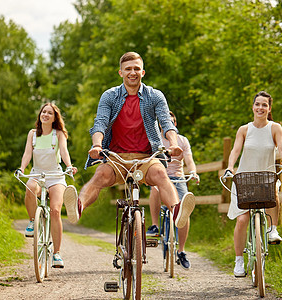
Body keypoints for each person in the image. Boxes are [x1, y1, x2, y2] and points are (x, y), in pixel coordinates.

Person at [63, 51, 195, 231]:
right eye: (128, 69)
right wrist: (97, 145)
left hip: (147, 158)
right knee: (100, 175)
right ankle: (78, 207)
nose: (132, 72)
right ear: (121, 73)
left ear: (143, 72)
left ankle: (177, 211)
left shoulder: (154, 96)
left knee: (161, 175)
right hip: (117, 157)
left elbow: (166, 122)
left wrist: (173, 144)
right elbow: (100, 123)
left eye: (136, 69)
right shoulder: (110, 96)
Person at [225, 91, 282, 277]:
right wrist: (230, 167)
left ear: (269, 108)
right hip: (245, 180)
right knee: (242, 219)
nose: (260, 108)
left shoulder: (275, 128)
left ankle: (273, 229)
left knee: (275, 190)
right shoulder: (244, 130)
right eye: (258, 104)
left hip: (266, 178)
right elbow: (235, 150)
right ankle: (239, 260)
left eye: (264, 105)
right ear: (253, 107)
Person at [17, 103, 78, 268]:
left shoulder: (59, 134)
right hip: (37, 172)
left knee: (55, 211)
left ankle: (56, 254)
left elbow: (64, 151)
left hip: (55, 175)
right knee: (30, 189)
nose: (45, 114)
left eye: (49, 113)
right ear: (40, 115)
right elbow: (27, 153)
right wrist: (22, 169)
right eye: (43, 112)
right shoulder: (32, 134)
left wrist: (69, 166)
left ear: (54, 118)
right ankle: (32, 221)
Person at [146, 111, 199, 269]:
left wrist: (194, 172)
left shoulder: (182, 141)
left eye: (171, 121)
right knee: (155, 189)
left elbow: (189, 160)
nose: (167, 123)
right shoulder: (154, 141)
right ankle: (155, 226)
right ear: (160, 124)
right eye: (164, 121)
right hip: (160, 178)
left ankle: (181, 251)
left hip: (178, 178)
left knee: (184, 209)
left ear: (174, 124)